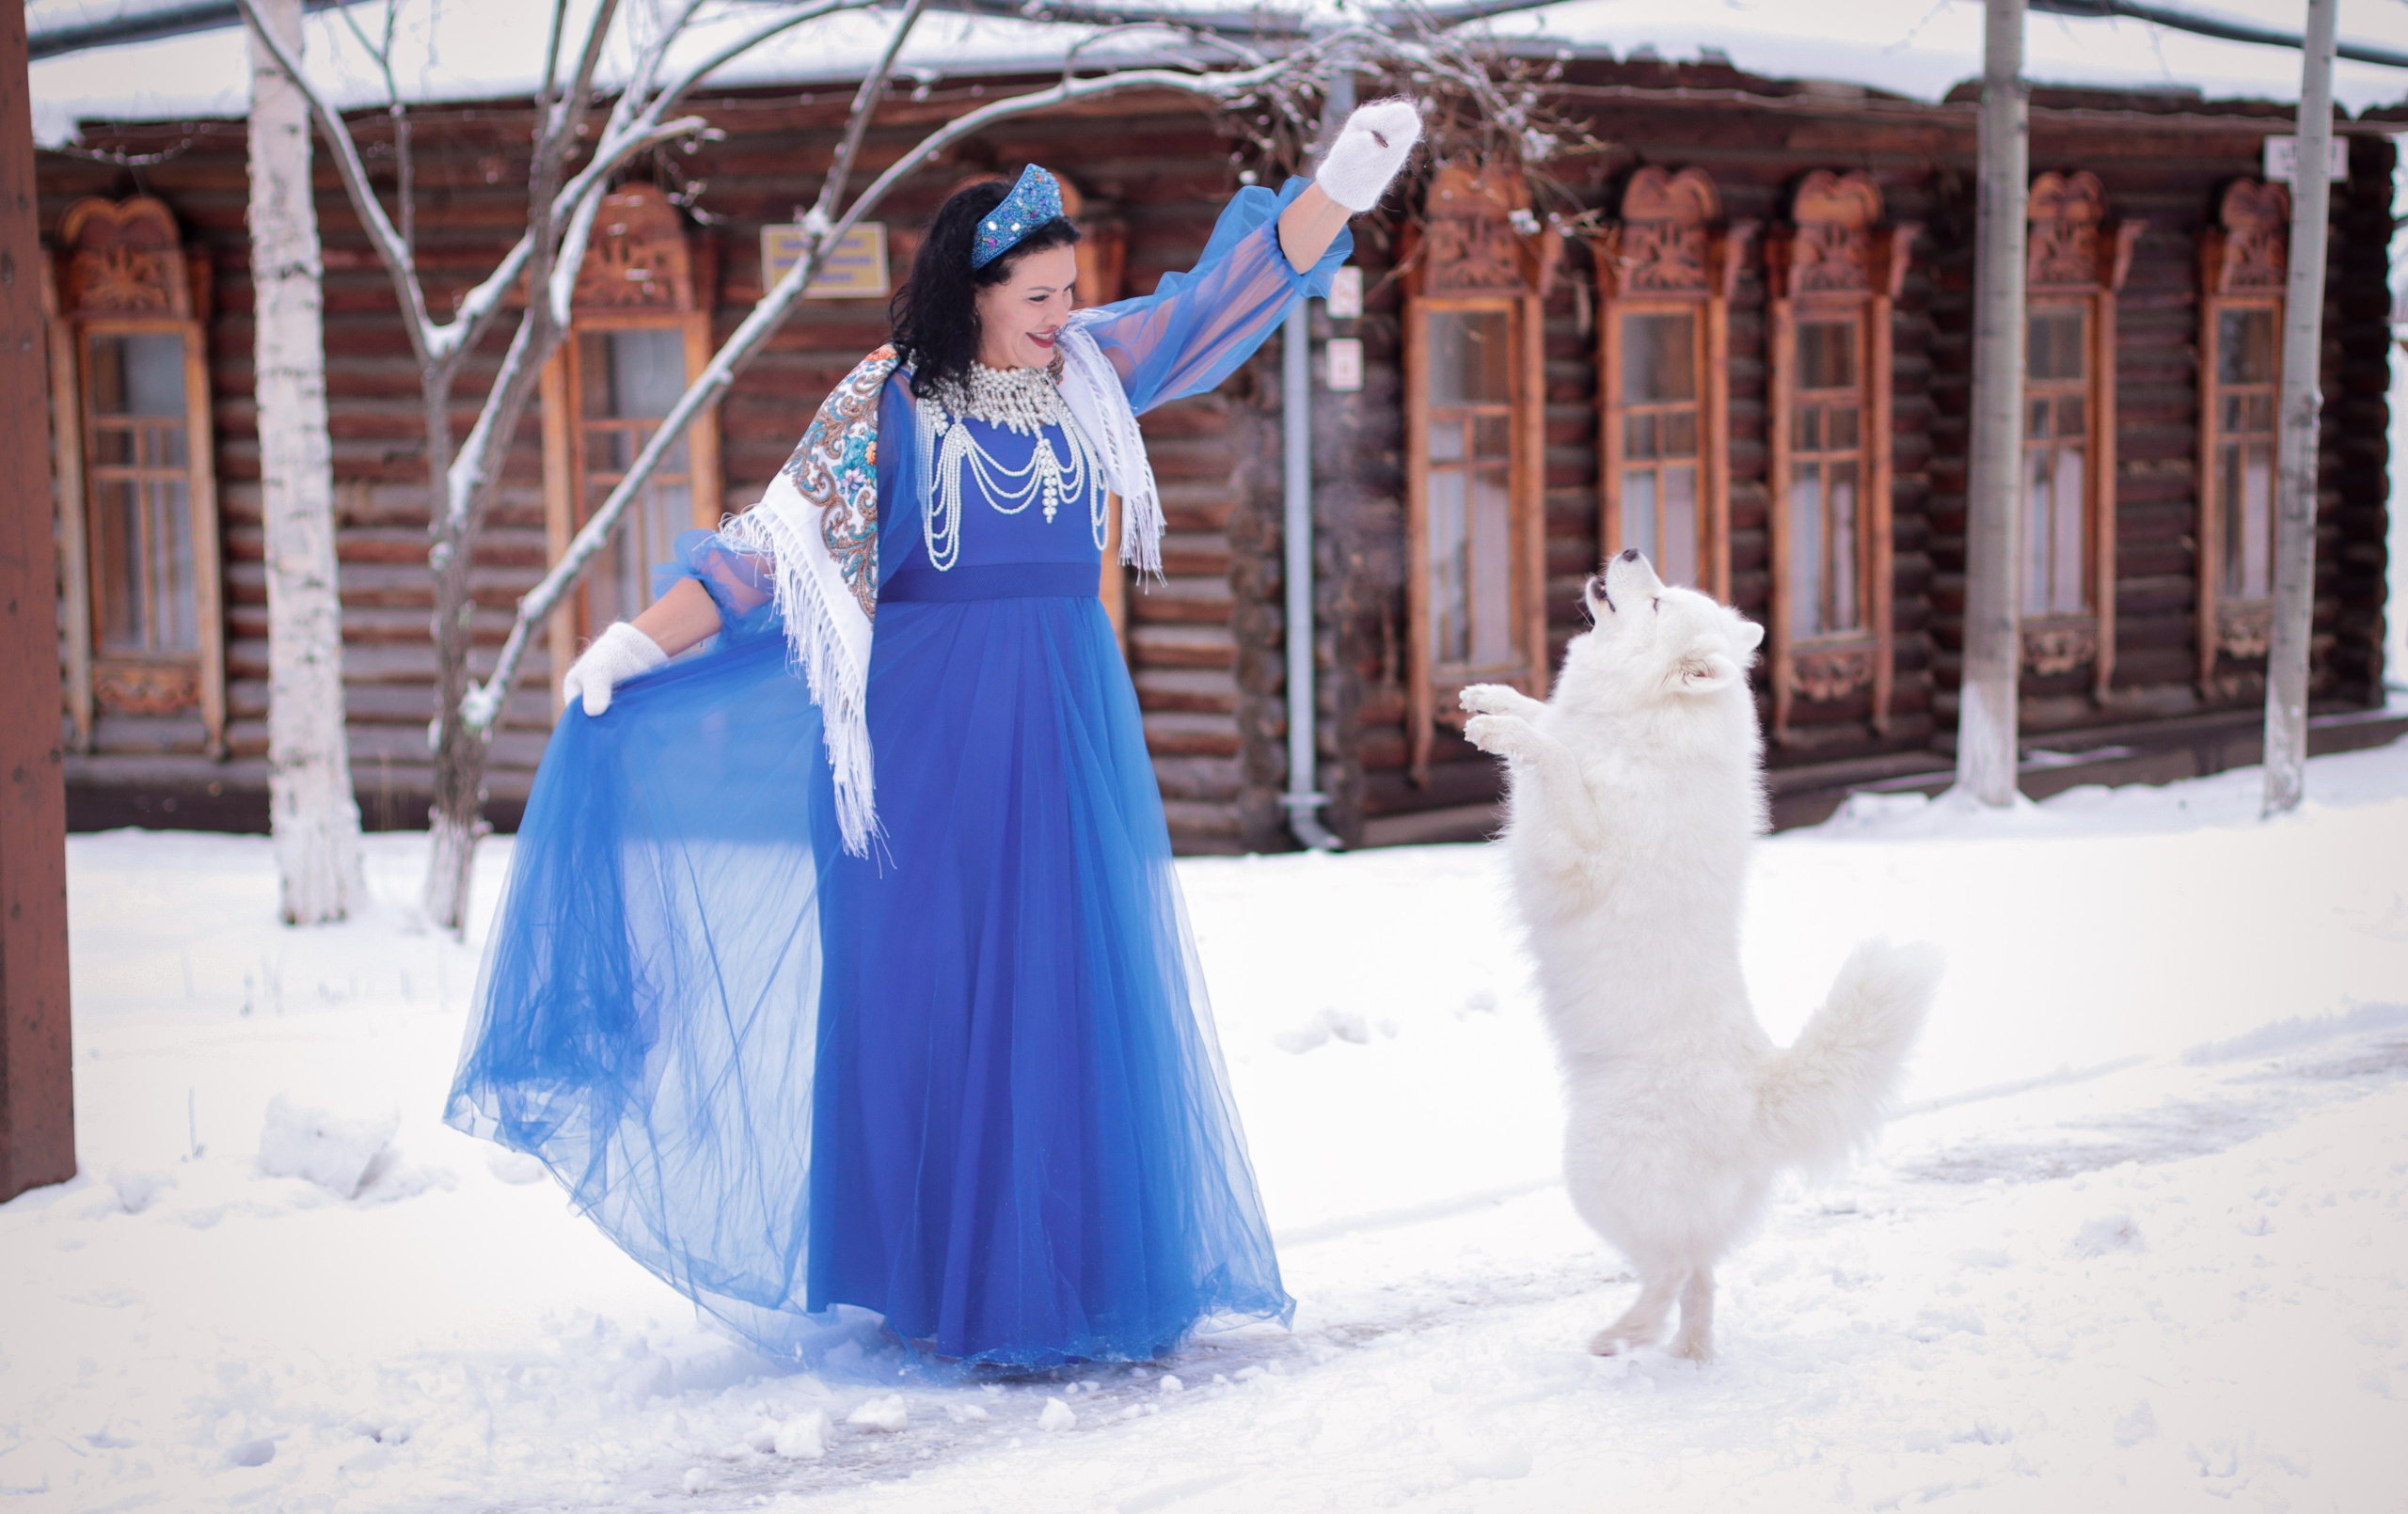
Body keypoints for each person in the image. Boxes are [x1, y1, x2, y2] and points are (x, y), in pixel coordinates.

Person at [445, 101, 1424, 1369]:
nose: (1063, 313)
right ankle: (940, 1281)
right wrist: (642, 637)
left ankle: (1060, 1274)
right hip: (918, 757)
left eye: (1073, 290)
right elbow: (767, 547)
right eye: (1039, 295)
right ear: (974, 291)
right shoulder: (882, 408)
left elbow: (1213, 303)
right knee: (936, 1003)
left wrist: (1332, 194)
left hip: (1061, 738)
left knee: (1065, 995)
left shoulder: (1093, 377)